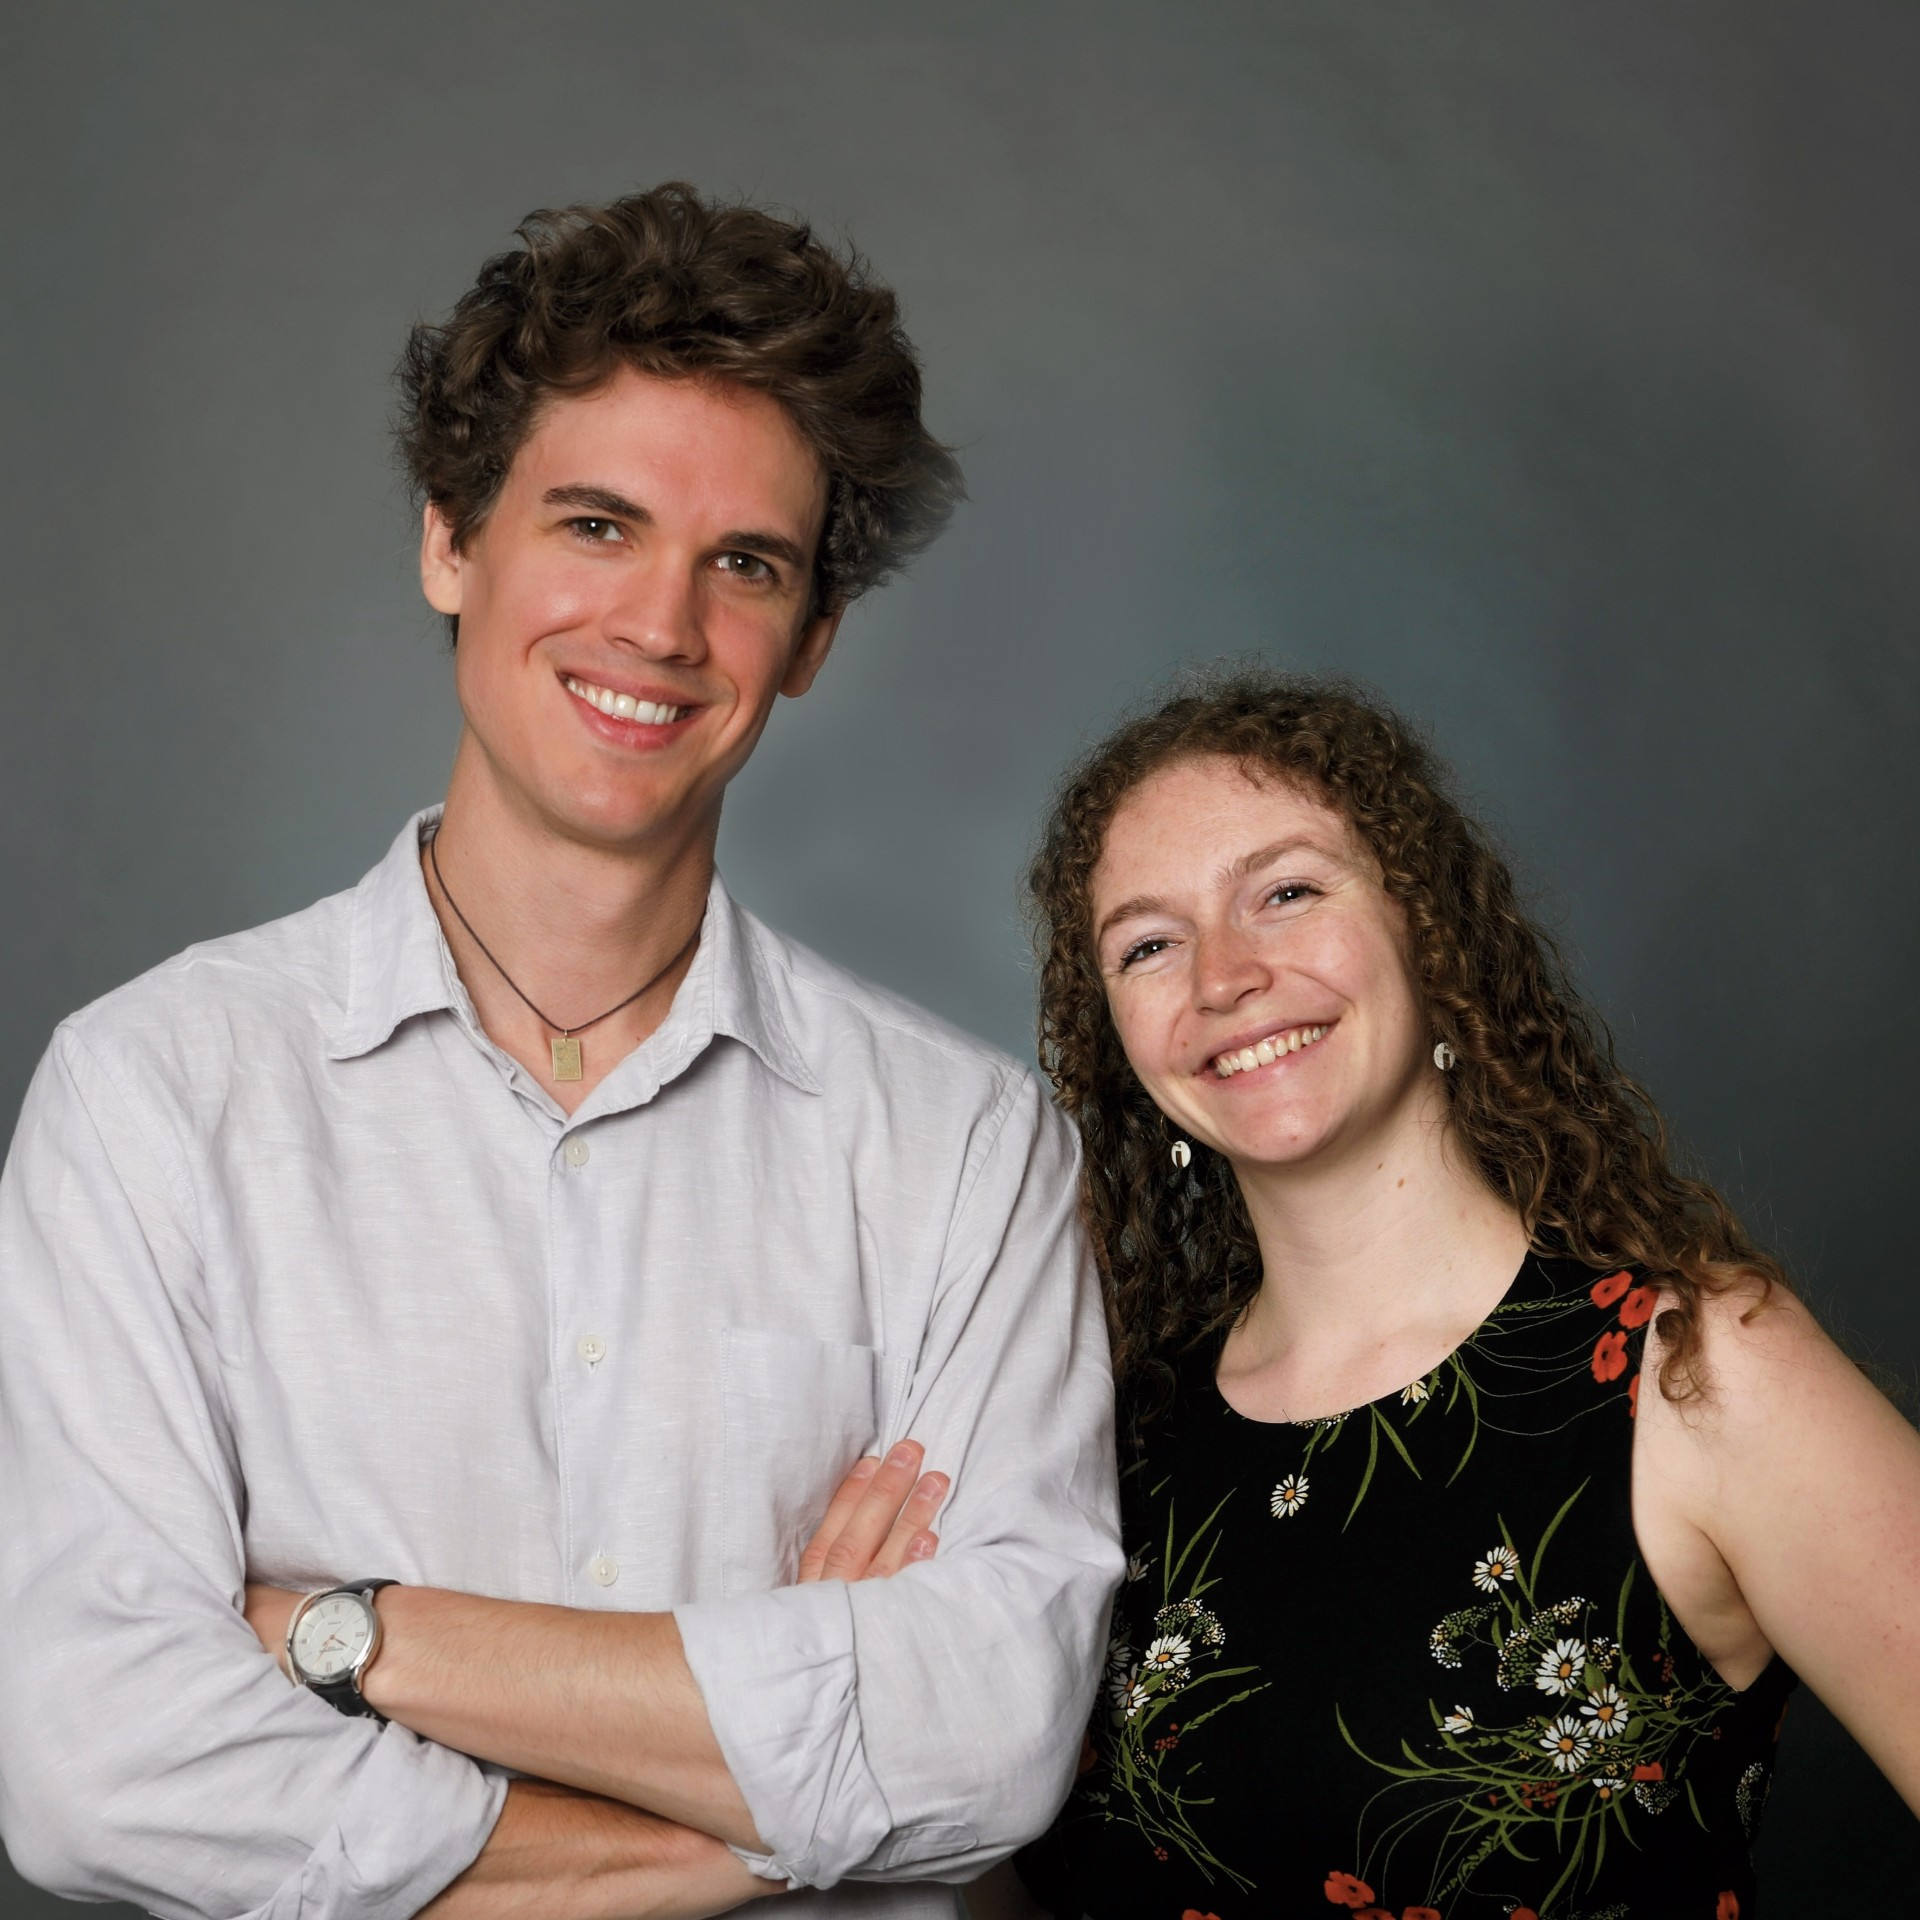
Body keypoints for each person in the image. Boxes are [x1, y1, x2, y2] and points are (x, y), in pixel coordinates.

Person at [0, 183, 1121, 1920]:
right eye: (597, 525)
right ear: (450, 544)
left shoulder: (966, 1150)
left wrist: (348, 1636)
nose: (662, 626)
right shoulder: (149, 1096)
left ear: (812, 641)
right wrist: (759, 1817)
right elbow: (92, 1763)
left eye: (744, 564)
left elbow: (990, 1739)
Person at [998, 674, 1920, 1918]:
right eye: (1149, 945)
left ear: (1426, 926)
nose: (1224, 976)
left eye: (1287, 892)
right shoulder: (1106, 1437)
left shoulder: (1699, 1368)